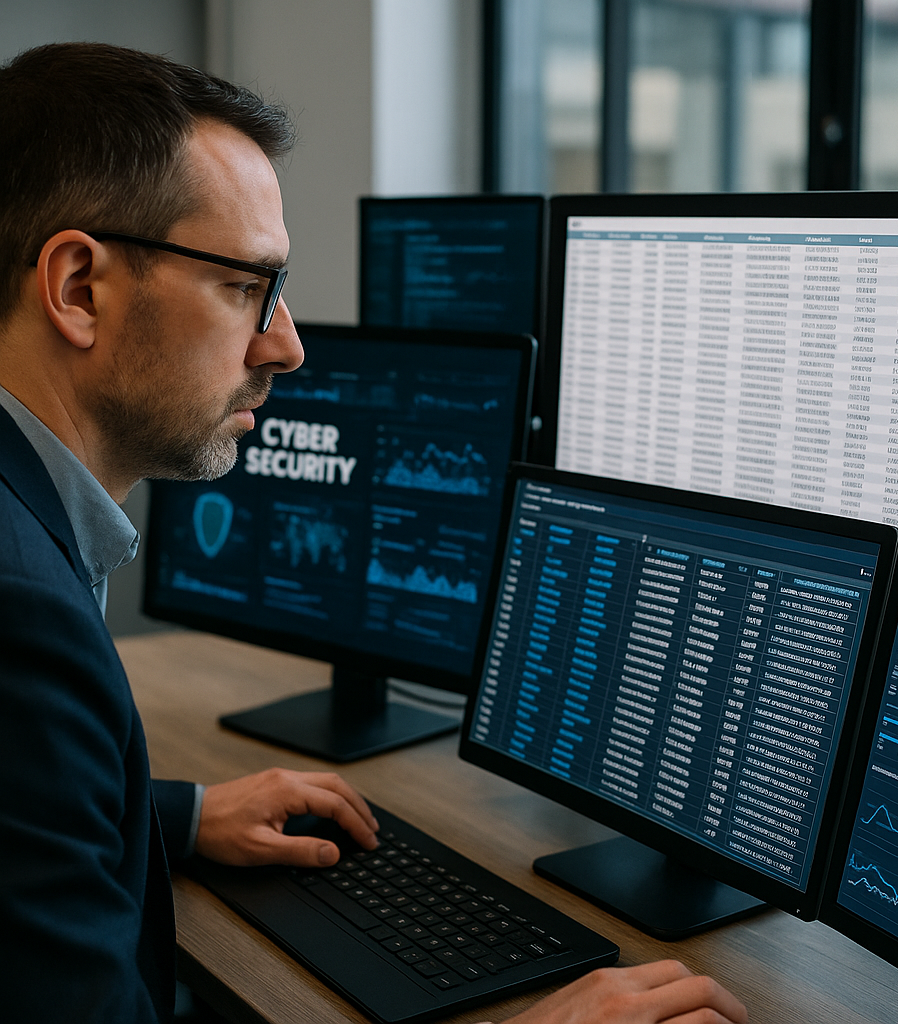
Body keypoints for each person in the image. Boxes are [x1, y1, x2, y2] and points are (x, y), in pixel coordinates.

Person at [0, 42, 747, 1024]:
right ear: (80, 288)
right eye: (246, 287)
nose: (287, 343)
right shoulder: (23, 621)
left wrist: (169, 814)